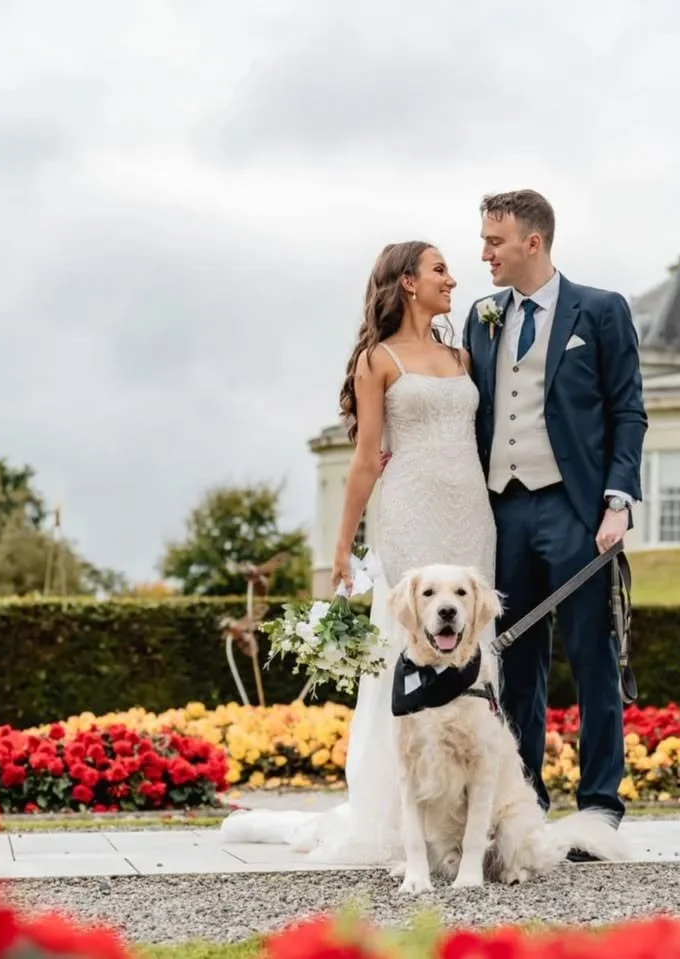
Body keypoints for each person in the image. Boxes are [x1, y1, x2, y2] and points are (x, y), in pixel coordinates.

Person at [218, 239, 496, 864]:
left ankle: (467, 820)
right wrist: (342, 547)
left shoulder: (464, 356)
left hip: (471, 515)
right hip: (407, 512)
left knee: (473, 636)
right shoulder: (378, 360)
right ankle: (393, 817)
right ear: (408, 282)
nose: (453, 279)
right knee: (407, 644)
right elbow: (367, 458)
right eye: (440, 270)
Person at [462, 190, 646, 855]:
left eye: (494, 241)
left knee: (594, 657)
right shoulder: (481, 317)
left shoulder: (599, 310)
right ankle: (524, 802)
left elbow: (627, 409)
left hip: (576, 511)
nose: (484, 253)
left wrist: (618, 502)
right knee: (515, 664)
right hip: (503, 511)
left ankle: (598, 806)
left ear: (532, 242)